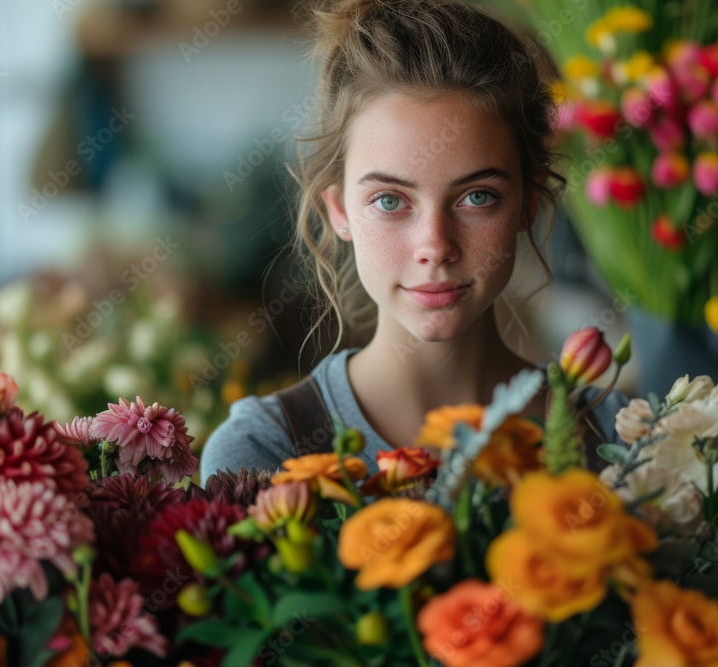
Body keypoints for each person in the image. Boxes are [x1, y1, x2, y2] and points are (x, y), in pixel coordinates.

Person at [199, 0, 628, 482]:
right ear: (337, 211)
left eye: (477, 196)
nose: (436, 246)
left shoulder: (622, 438)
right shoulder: (263, 454)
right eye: (389, 201)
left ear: (529, 202)